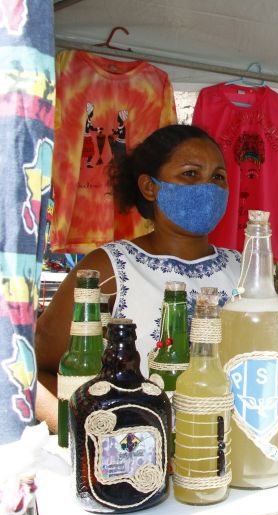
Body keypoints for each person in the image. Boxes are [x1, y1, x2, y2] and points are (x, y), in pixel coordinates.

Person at [35, 124, 241, 432]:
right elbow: (35, 372)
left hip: (231, 450)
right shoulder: (109, 268)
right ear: (150, 187)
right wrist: (90, 437)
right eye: (190, 173)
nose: (208, 187)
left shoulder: (243, 268)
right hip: (134, 459)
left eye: (218, 177)